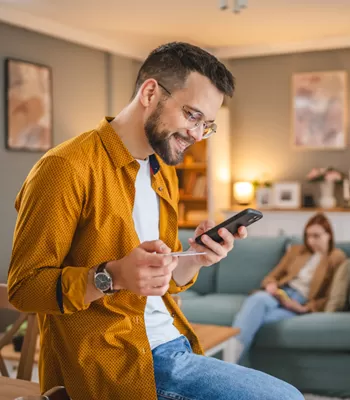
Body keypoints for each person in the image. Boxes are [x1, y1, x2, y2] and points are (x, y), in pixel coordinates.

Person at [8, 42, 303, 400]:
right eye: (192, 115)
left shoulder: (161, 172)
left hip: (173, 344)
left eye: (206, 124)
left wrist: (197, 258)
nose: (197, 134)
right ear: (150, 92)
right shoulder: (65, 168)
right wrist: (112, 275)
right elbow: (25, 288)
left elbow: (162, 280)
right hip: (117, 363)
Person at [232, 212, 346, 362]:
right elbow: (272, 276)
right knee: (258, 300)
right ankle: (231, 360)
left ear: (329, 235)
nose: (311, 241)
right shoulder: (296, 251)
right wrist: (271, 285)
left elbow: (330, 296)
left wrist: (304, 308)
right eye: (308, 236)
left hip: (298, 303)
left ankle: (233, 360)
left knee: (257, 318)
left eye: (316, 236)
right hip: (280, 293)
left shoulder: (336, 257)